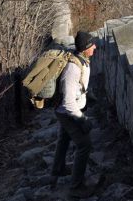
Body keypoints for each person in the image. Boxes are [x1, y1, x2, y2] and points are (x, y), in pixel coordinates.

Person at [51, 30, 97, 197]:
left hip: (68, 110)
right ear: (85, 48)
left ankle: (57, 170)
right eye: (92, 45)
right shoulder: (73, 68)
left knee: (64, 138)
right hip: (68, 112)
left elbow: (79, 89)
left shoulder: (82, 60)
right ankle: (76, 187)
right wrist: (82, 119)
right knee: (84, 145)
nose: (95, 47)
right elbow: (68, 102)